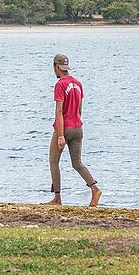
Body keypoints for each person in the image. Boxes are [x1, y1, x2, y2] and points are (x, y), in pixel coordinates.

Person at [48, 54, 101, 207]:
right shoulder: (78, 83)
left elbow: (59, 112)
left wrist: (60, 135)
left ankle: (57, 199)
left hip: (65, 128)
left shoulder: (60, 85)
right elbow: (79, 109)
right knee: (77, 163)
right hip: (78, 128)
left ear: (56, 67)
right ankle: (95, 189)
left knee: (53, 162)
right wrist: (75, 123)